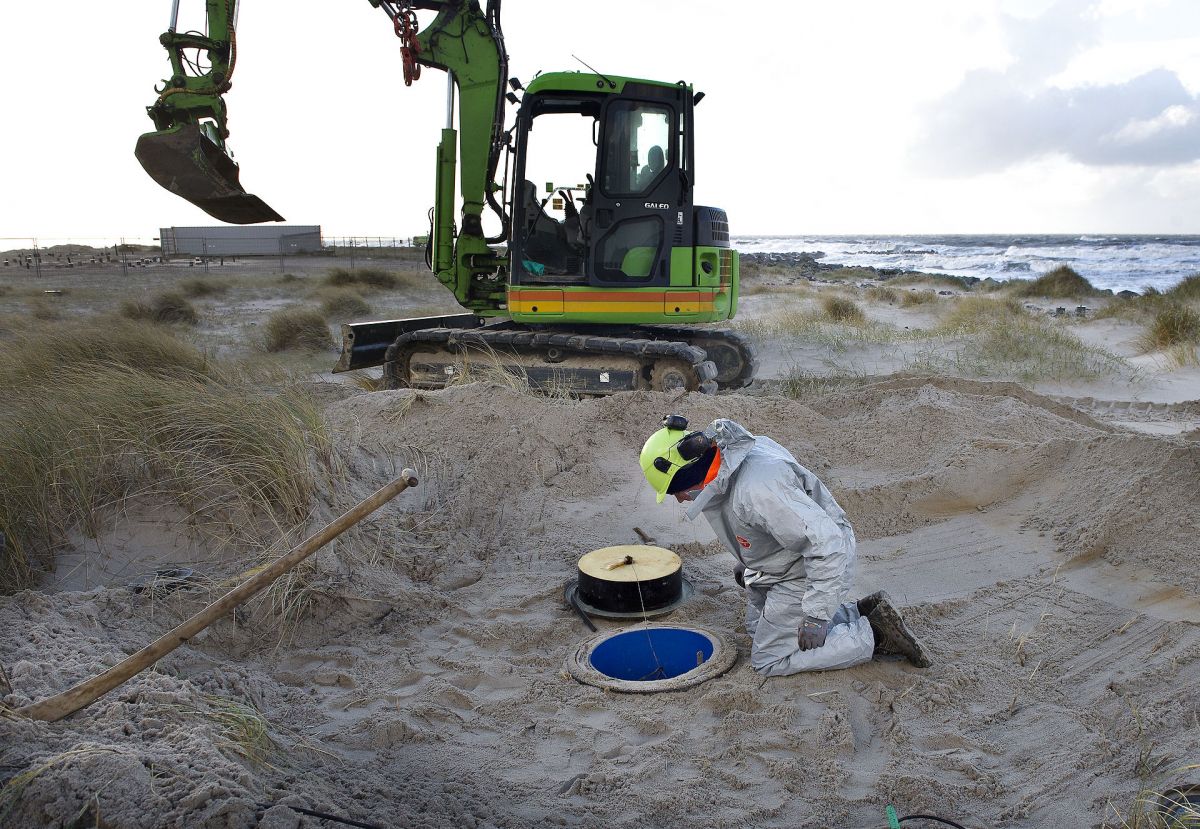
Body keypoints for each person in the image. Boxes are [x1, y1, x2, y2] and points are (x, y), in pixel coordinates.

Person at [640, 415, 931, 676]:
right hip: (783, 559)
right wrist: (749, 556)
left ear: (689, 474)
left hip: (811, 564)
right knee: (757, 630)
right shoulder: (728, 462)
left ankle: (876, 635)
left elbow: (827, 545)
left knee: (768, 658)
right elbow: (766, 524)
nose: (679, 499)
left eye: (675, 491)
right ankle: (857, 613)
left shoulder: (758, 489)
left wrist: (816, 616)